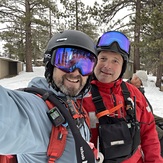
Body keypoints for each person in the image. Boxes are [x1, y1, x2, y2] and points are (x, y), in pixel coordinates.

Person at [0, 30, 98, 163]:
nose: (76, 72)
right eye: (66, 61)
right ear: (50, 64)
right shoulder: (36, 110)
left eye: (85, 65)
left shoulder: (73, 102)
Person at [82, 31, 163, 162]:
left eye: (115, 61)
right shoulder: (80, 94)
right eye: (103, 58)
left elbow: (149, 135)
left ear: (122, 67)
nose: (107, 66)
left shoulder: (133, 94)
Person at [127, 70, 163, 157]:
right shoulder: (127, 90)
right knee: (160, 134)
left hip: (148, 115)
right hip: (140, 120)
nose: (141, 85)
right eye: (141, 82)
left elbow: (147, 108)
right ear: (136, 78)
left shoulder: (139, 90)